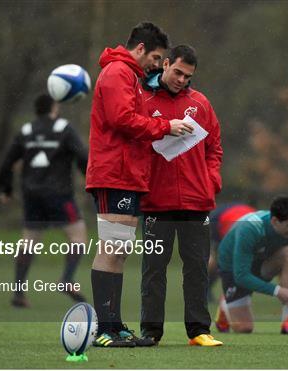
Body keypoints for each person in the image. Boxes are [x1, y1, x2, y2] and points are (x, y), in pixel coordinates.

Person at [86, 23, 193, 348]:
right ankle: (104, 329)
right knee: (112, 248)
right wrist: (165, 127)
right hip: (114, 172)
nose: (157, 65)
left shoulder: (127, 74)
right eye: (157, 57)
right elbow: (122, 119)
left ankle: (115, 326)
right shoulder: (118, 71)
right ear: (142, 49)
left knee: (120, 249)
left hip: (127, 173)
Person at [139, 45, 224, 346]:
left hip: (196, 201)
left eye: (187, 76)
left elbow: (214, 148)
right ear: (164, 65)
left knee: (197, 269)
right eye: (177, 72)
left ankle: (199, 331)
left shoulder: (200, 103)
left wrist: (210, 179)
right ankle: (151, 331)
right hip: (155, 203)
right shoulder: (144, 100)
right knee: (154, 270)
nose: (181, 80)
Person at [0, 94, 88, 308]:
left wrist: (6, 188)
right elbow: (83, 156)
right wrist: (88, 177)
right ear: (54, 107)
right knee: (78, 237)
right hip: (59, 194)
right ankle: (67, 279)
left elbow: (7, 162)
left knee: (29, 242)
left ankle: (19, 292)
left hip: (32, 195)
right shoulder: (64, 128)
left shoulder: (27, 131)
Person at [215, 196, 288, 334]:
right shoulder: (250, 229)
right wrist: (277, 291)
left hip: (260, 264)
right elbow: (241, 275)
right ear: (274, 221)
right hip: (233, 269)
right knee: (244, 328)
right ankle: (225, 306)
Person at [208, 203, 257, 302]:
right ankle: (201, 288)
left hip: (238, 213)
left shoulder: (258, 230)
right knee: (213, 259)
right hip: (218, 219)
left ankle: (206, 289)